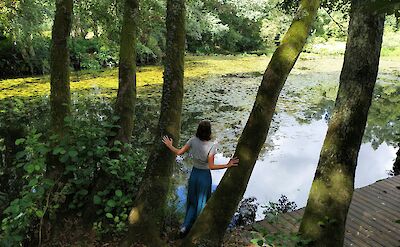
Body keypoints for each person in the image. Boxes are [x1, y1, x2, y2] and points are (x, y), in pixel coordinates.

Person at [162, 120, 239, 237]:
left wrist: (169, 145)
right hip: (204, 177)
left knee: (192, 201)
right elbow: (212, 166)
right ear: (209, 132)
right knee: (202, 202)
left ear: (198, 130)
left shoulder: (193, 140)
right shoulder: (212, 146)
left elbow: (179, 152)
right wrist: (227, 165)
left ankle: (184, 227)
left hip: (194, 175)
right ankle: (198, 229)